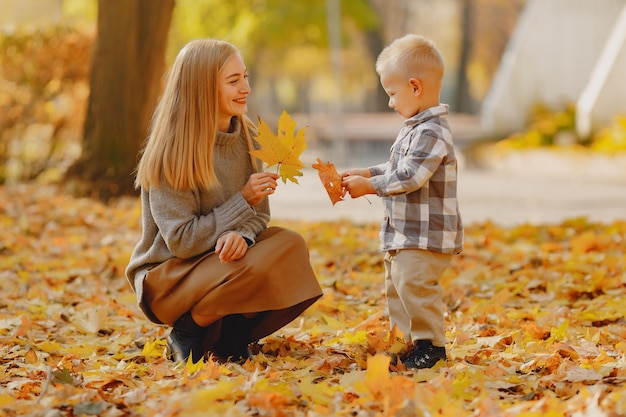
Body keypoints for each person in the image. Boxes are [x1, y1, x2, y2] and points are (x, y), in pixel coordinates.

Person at [125, 39, 323, 364]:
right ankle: (188, 330)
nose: (246, 87)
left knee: (290, 244)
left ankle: (230, 336)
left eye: (244, 77)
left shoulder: (246, 136)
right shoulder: (171, 152)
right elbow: (182, 241)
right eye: (233, 81)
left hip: (219, 265)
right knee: (248, 265)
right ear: (203, 88)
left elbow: (259, 216)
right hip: (170, 277)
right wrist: (241, 200)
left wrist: (241, 235)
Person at [341, 34, 463, 369]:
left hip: (425, 236)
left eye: (393, 94)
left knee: (414, 285)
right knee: (397, 286)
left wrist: (369, 186)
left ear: (415, 87)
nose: (391, 102)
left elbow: (410, 176)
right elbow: (396, 167)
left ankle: (431, 346)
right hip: (404, 233)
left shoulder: (433, 131)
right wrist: (366, 172)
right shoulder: (414, 127)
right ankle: (409, 343)